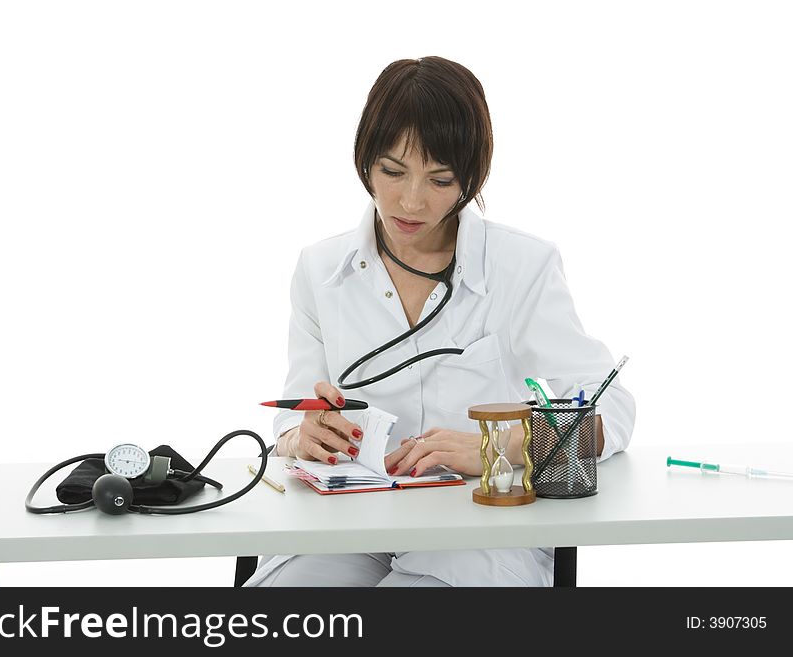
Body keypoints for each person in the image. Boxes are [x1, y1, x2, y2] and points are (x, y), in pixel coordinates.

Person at [245, 56, 635, 587]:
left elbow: (610, 409)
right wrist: (303, 435)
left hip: (477, 532)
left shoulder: (522, 266)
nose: (410, 200)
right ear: (364, 162)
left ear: (470, 177)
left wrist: (504, 444)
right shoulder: (319, 270)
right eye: (392, 171)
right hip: (345, 524)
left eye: (440, 179)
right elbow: (293, 412)